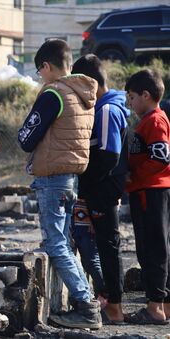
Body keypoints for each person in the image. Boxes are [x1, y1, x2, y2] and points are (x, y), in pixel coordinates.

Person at [17, 39, 101, 329]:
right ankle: (84, 301)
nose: (40, 76)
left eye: (40, 70)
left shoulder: (54, 94)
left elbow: (27, 135)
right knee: (63, 243)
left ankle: (86, 306)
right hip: (71, 178)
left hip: (53, 180)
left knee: (56, 245)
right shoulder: (84, 94)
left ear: (47, 66)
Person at [70, 54, 131, 324]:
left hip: (103, 190)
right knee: (103, 245)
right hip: (101, 188)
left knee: (108, 246)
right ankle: (109, 300)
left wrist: (86, 183)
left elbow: (109, 155)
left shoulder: (107, 110)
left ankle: (115, 307)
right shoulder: (106, 107)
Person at [124, 70, 170, 325]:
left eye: (132, 97)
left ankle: (154, 307)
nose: (130, 103)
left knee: (152, 249)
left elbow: (161, 157)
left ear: (146, 95)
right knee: (156, 247)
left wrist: (135, 177)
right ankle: (163, 304)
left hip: (150, 191)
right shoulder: (149, 120)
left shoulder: (154, 121)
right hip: (149, 190)